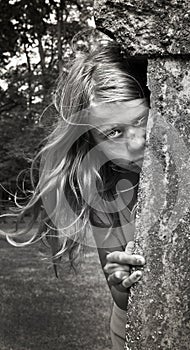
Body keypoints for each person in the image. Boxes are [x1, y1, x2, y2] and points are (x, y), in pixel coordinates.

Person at [3, 41, 150, 349]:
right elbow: (120, 296)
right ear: (91, 139)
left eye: (141, 120)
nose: (135, 143)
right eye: (114, 132)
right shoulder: (104, 192)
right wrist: (121, 285)